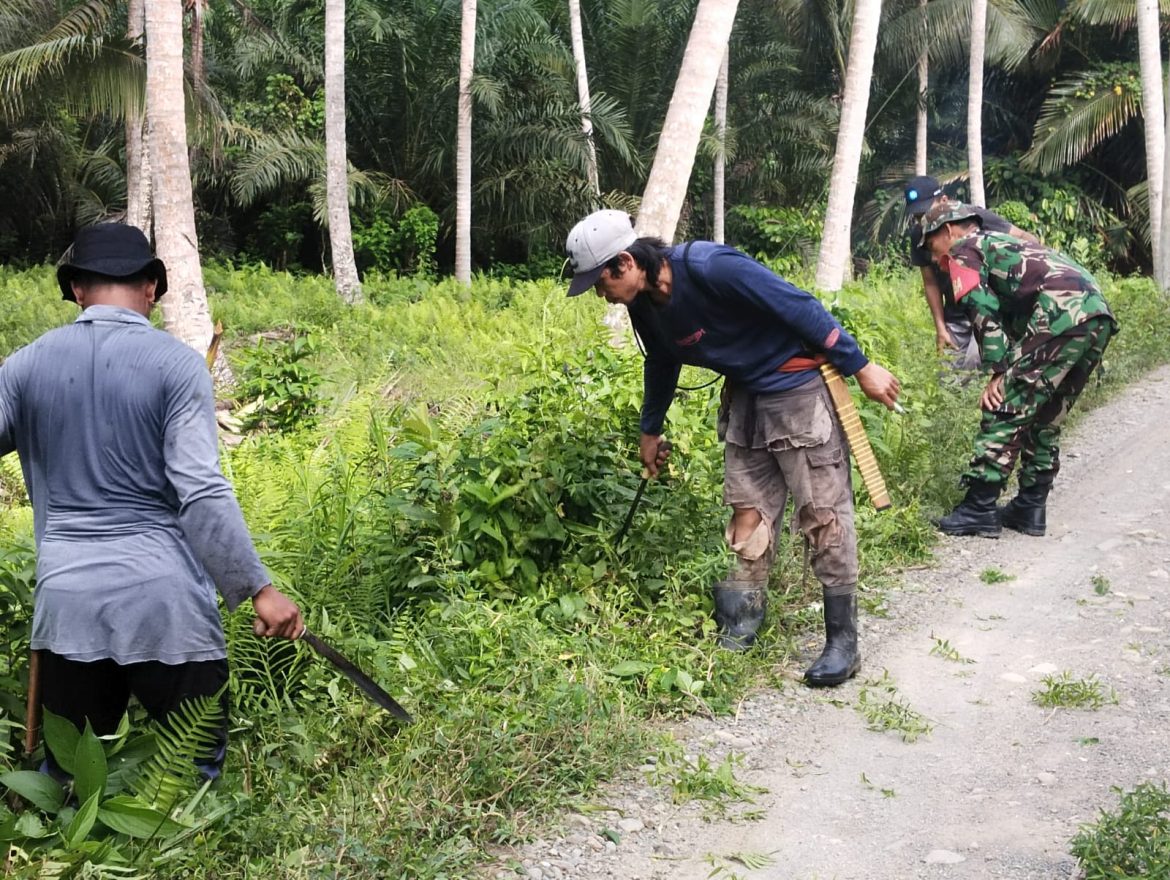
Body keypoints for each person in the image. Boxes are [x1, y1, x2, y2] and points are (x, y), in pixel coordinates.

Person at [0, 223, 303, 779]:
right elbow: (201, 490)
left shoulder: (22, 368)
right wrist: (257, 590)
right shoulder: (177, 365)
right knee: (191, 780)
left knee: (67, 783)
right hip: (164, 605)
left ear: (76, 290)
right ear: (151, 289)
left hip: (69, 609)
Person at [565, 209, 901, 687]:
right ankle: (743, 620)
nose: (600, 293)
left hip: (795, 389)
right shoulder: (643, 304)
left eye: (599, 282)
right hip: (745, 396)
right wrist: (649, 430)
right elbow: (661, 362)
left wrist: (860, 366)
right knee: (747, 513)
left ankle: (842, 642)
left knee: (822, 513)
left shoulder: (711, 267)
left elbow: (800, 306)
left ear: (624, 263)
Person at [919, 203, 1118, 538]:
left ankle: (979, 507)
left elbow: (982, 310)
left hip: (1061, 311)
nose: (931, 255)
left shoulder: (963, 250)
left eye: (930, 244)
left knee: (1004, 403)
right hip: (1095, 313)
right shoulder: (1000, 243)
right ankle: (1029, 507)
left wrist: (999, 372)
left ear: (949, 230)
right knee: (1046, 412)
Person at [904, 175, 1039, 369]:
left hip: (989, 307)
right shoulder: (920, 235)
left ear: (944, 201)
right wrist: (940, 328)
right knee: (947, 371)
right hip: (955, 313)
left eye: (925, 213)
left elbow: (1025, 237)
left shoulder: (973, 217)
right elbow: (930, 283)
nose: (922, 222)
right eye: (917, 217)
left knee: (979, 364)